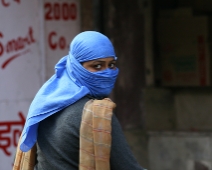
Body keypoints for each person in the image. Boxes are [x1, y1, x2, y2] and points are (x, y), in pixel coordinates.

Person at [17, 31, 146, 170]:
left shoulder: (44, 106)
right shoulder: (97, 115)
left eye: (112, 65)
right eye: (97, 66)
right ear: (77, 66)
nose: (107, 72)